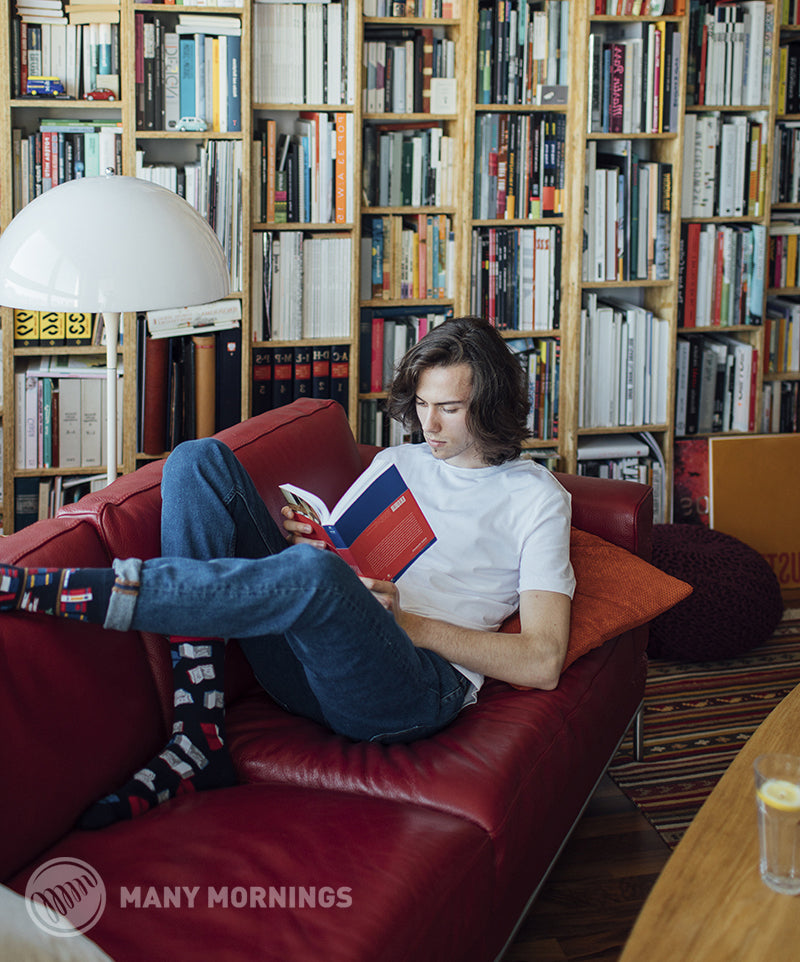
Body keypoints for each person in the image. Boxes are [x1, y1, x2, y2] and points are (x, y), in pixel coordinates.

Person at [0, 316, 575, 828]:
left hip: (411, 688)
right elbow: (345, 554)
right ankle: (197, 736)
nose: (429, 424)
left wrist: (405, 624)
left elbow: (542, 661)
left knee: (315, 577)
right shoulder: (398, 461)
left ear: (491, 404)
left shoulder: (536, 498)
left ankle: (80, 590)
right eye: (422, 404)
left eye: (449, 408)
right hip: (310, 662)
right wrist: (312, 541)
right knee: (198, 461)